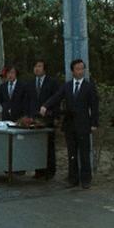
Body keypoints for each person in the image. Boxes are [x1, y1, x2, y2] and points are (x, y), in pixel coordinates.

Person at [40, 59, 98, 189]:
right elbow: (57, 97)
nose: (80, 71)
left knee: (84, 153)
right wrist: (45, 105)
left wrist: (94, 123)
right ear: (72, 71)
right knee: (71, 152)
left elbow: (94, 106)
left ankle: (86, 179)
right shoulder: (67, 86)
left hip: (83, 124)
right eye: (77, 69)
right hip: (70, 124)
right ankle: (73, 178)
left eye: (82, 68)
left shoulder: (89, 86)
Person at [27, 59, 59, 179]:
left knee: (49, 145)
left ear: (44, 68)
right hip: (34, 118)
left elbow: (56, 100)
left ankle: (50, 171)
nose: (37, 68)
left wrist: (56, 116)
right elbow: (28, 101)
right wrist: (28, 116)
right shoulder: (30, 83)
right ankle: (38, 170)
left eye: (39, 66)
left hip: (48, 117)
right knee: (36, 145)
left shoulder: (52, 82)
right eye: (35, 66)